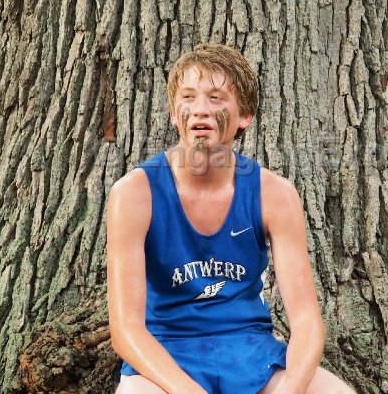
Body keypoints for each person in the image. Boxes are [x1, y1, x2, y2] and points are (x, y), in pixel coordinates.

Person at [107, 43, 355, 394]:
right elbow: (126, 330)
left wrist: (291, 388)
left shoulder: (274, 194)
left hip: (250, 352)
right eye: (188, 97)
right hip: (167, 355)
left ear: (245, 116)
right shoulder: (134, 194)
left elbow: (306, 321)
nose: (200, 109)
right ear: (174, 114)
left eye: (216, 98)